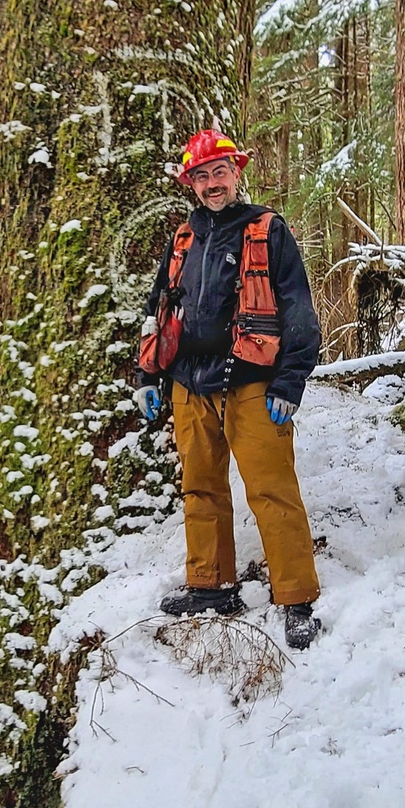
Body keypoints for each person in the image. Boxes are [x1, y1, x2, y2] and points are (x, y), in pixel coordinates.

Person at [134, 130, 322, 650]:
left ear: (236, 172)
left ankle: (296, 597)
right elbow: (158, 312)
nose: (212, 183)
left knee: (272, 489)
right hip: (189, 386)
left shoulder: (268, 229)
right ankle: (211, 586)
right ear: (190, 183)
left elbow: (300, 312)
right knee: (200, 489)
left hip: (251, 384)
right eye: (201, 175)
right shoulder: (183, 240)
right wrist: (147, 376)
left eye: (219, 171)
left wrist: (290, 381)